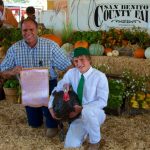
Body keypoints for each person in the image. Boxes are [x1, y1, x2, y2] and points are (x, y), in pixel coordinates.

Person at [0, 18, 72, 138]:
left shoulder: (51, 46)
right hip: (28, 88)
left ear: (37, 30)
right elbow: (2, 71)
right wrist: (12, 71)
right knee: (34, 124)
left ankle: (52, 121)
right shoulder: (15, 49)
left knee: (51, 128)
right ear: (21, 31)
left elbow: (67, 65)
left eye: (31, 29)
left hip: (49, 85)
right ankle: (41, 114)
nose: (28, 32)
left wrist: (67, 82)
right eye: (24, 30)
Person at [48, 47, 109, 150]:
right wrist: (50, 106)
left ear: (89, 60)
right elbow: (58, 88)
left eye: (82, 60)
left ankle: (95, 141)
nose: (79, 63)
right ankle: (86, 132)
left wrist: (82, 108)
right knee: (70, 145)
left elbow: (102, 101)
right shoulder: (72, 73)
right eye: (76, 61)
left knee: (87, 111)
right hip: (78, 116)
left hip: (95, 114)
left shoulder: (100, 76)